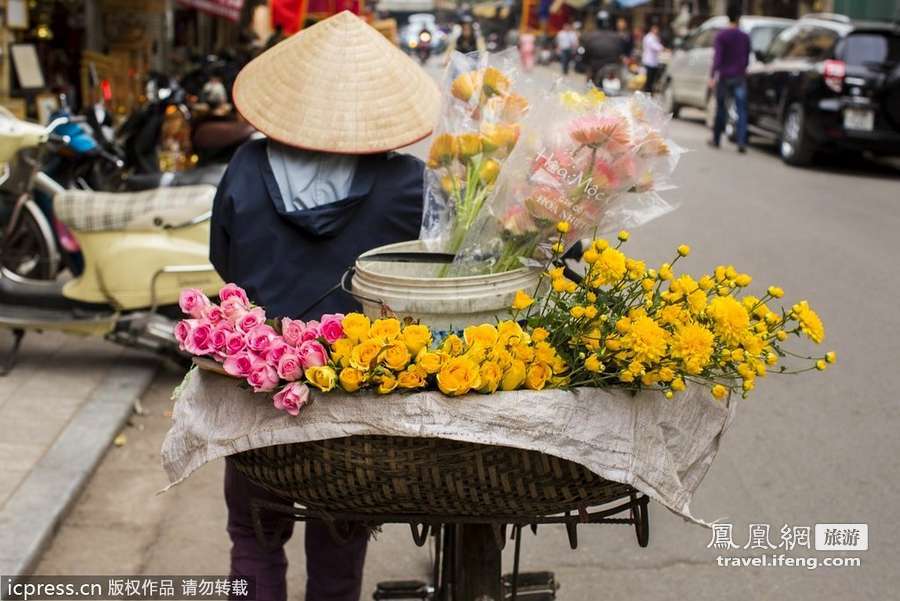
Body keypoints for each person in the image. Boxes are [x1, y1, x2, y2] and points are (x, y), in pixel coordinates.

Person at [210, 12, 439, 601]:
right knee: (341, 536)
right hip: (354, 395)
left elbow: (225, 262)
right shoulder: (409, 184)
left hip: (257, 388)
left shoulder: (245, 166)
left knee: (253, 533)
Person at [708, 4, 751, 152]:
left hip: (724, 77)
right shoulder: (745, 37)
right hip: (739, 77)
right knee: (741, 110)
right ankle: (741, 142)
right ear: (739, 18)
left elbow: (717, 59)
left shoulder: (721, 36)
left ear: (728, 18)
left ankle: (716, 139)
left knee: (721, 108)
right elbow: (746, 59)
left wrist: (712, 76)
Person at [581, 11, 622, 87]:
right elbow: (620, 52)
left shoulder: (590, 37)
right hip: (612, 68)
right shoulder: (616, 37)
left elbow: (586, 55)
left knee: (590, 86)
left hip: (596, 68)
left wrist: (584, 62)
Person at [641, 21, 664, 93]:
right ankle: (647, 93)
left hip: (654, 61)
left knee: (652, 80)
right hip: (649, 61)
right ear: (652, 29)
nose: (657, 31)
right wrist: (664, 49)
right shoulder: (649, 37)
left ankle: (649, 93)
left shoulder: (655, 37)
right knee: (649, 80)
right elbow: (656, 47)